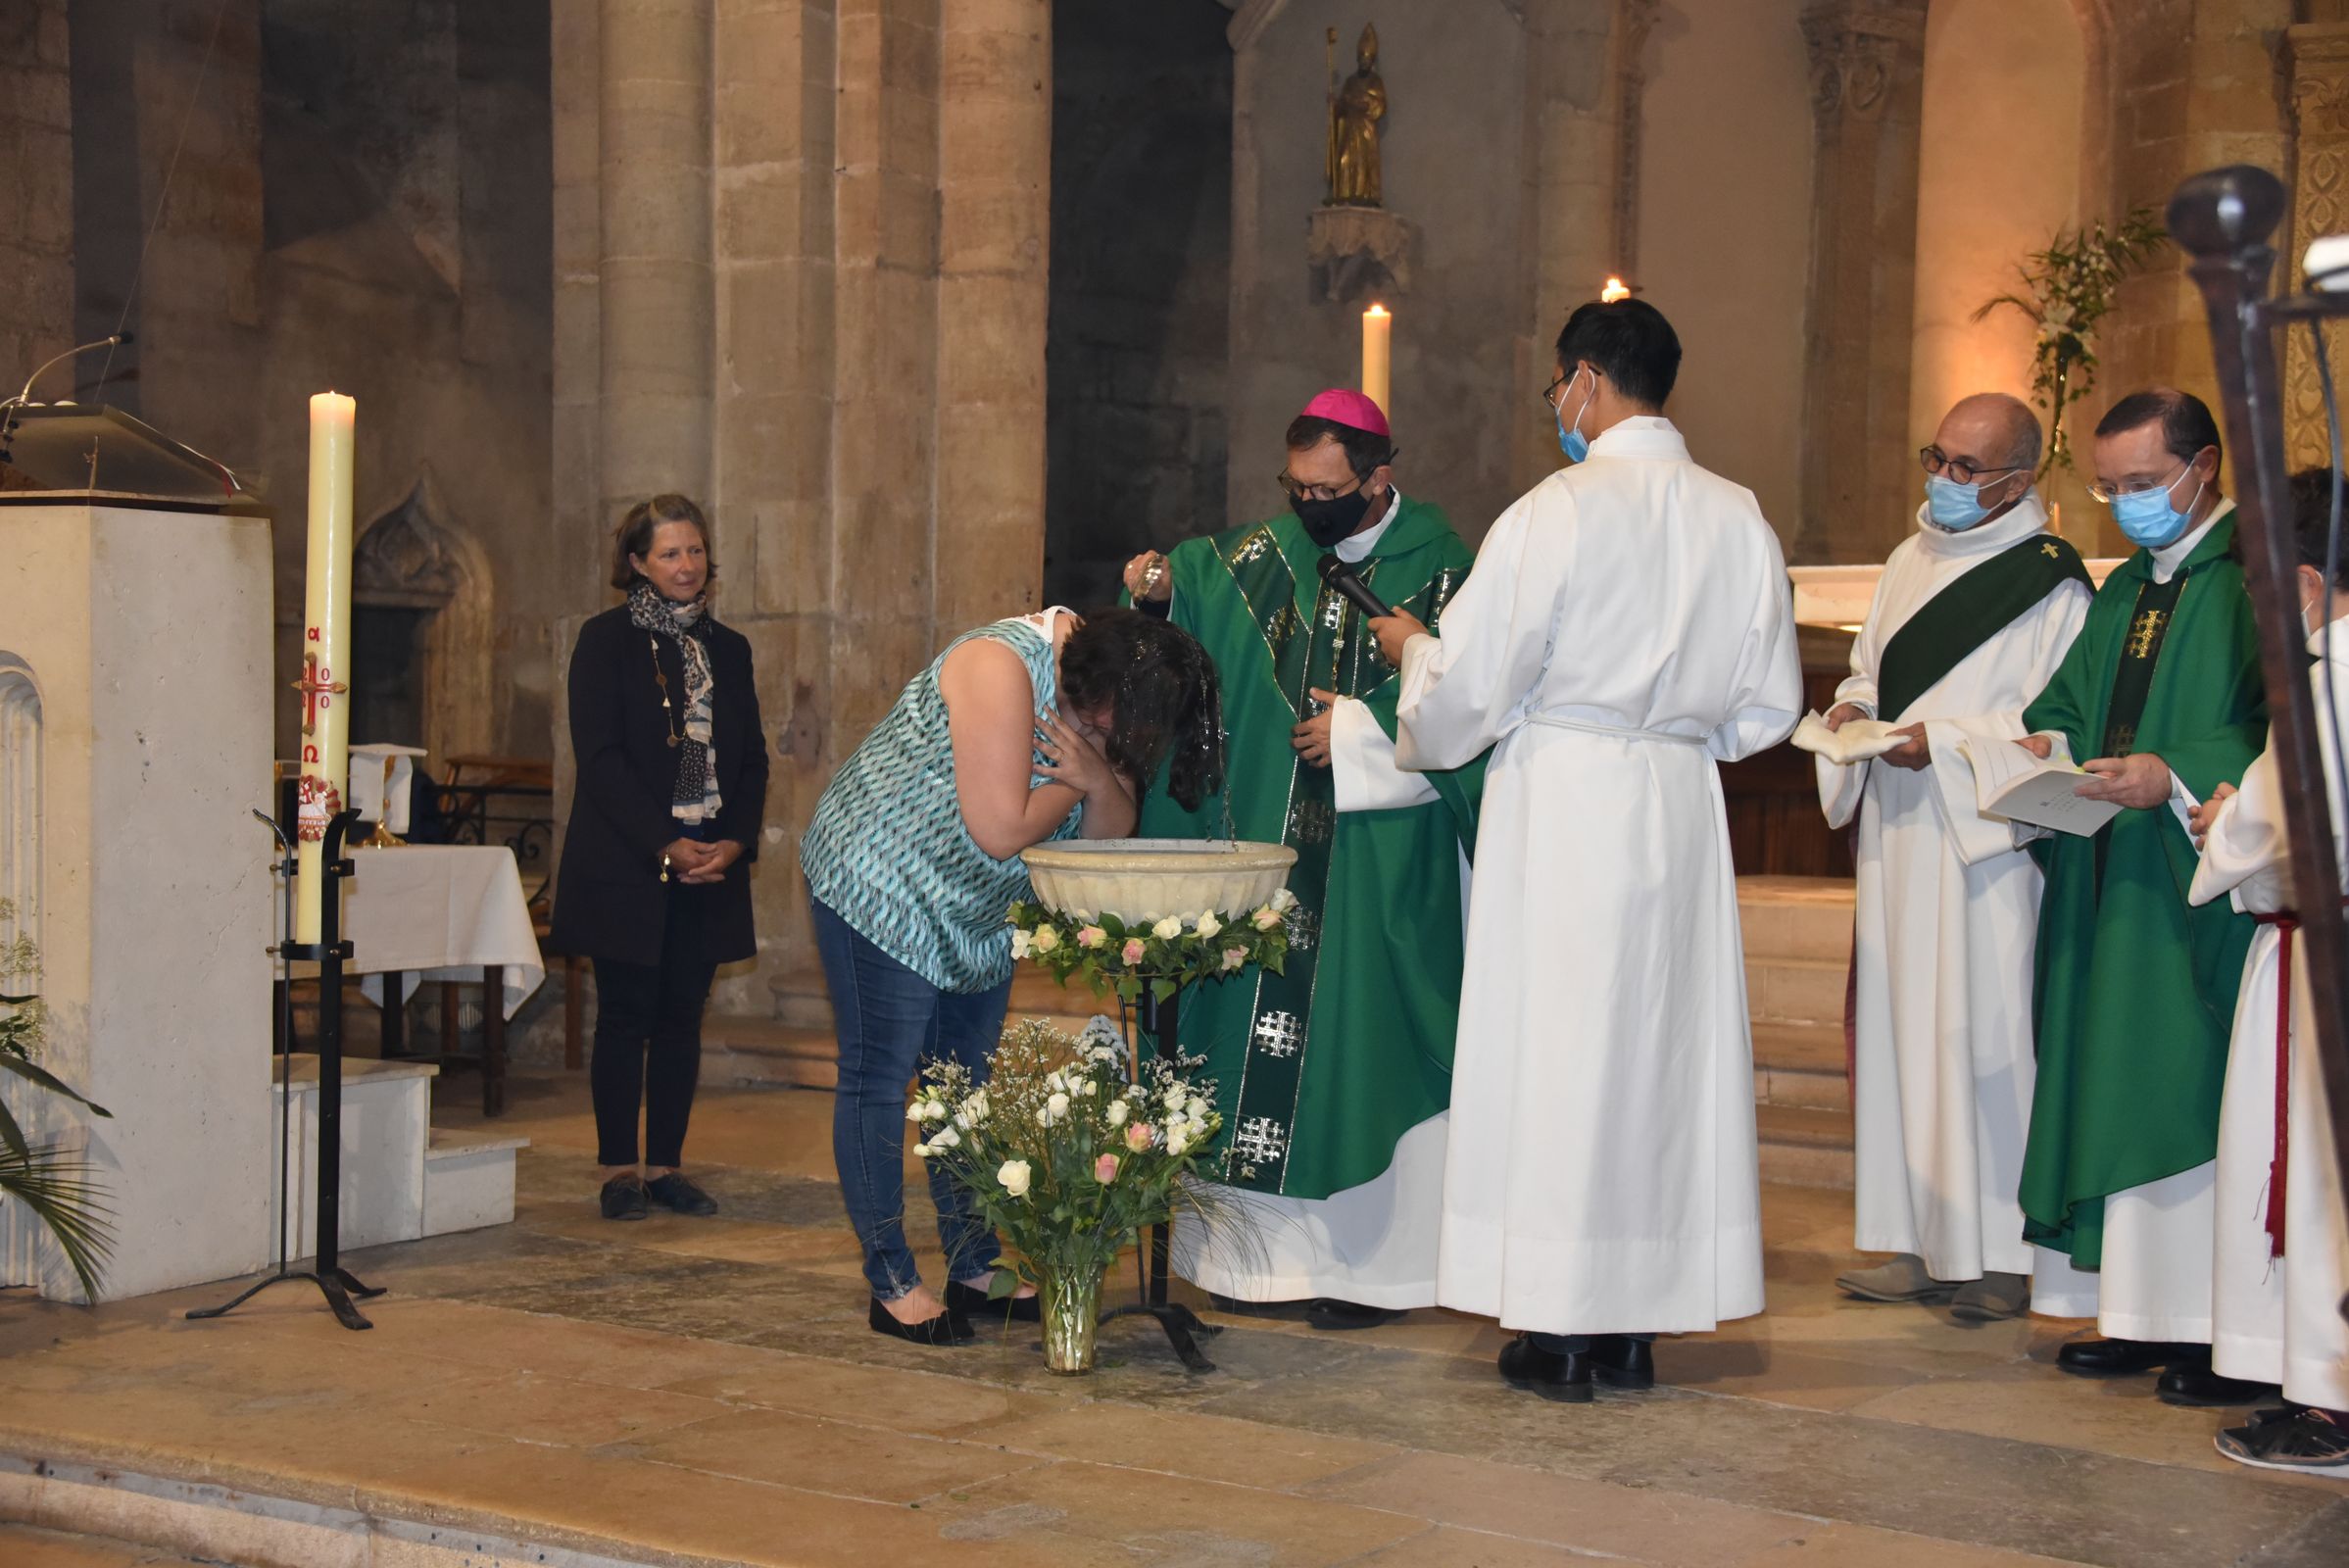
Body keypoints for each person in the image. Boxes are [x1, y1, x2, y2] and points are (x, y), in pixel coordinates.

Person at [1372, 298, 1802, 1402]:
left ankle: (1560, 1327)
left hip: (1565, 798)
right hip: (1676, 799)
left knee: (1560, 1056)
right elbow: (1767, 714)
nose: (1557, 407)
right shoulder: (1738, 515)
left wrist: (1418, 653)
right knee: (1659, 1059)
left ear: (1583, 381)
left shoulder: (1556, 509)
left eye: (1557, 387)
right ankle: (1636, 1324)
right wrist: (1678, 728)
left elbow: (1465, 700)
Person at [1121, 388, 1483, 1331]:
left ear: (1378, 479)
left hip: (1378, 866)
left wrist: (1359, 730)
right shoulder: (1257, 559)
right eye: (1295, 485)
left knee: (1363, 1049)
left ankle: (1373, 1274)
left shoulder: (1447, 571)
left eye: (1327, 487)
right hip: (1274, 865)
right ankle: (1254, 1268)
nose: (1307, 502)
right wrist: (1156, 592)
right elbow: (1187, 590)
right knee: (1245, 1036)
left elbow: (1475, 707)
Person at [800, 606, 1221, 1346]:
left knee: (960, 1085)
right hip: (881, 875)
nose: (1121, 738)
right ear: (1095, 688)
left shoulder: (1113, 687)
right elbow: (999, 829)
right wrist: (1083, 778)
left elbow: (1108, 833)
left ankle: (973, 1263)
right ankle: (891, 1280)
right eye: (1114, 724)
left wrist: (1094, 775)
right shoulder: (999, 663)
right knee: (879, 1073)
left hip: (976, 908)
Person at [2015, 388, 2268, 1406]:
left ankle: (2216, 1328)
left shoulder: (2254, 580)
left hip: (2194, 888)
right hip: (2112, 879)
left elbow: (2283, 725)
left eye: (2142, 483)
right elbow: (2070, 702)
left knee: (2183, 1080)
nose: (2125, 505)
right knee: (2114, 1075)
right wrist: (2045, 744)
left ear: (2203, 467)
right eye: (2109, 486)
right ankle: (2137, 1311)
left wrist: (2172, 771)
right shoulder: (2127, 590)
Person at [1818, 394, 2091, 1321]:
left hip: (1985, 845)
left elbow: (2057, 724)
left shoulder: (2049, 580)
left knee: (1983, 1037)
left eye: (1968, 470)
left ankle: (2005, 1254)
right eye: (1936, 457)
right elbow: (1869, 666)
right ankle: (1918, 1239)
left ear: (2020, 480)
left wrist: (1941, 741)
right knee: (1902, 1030)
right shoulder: (1906, 557)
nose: (1945, 480)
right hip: (1896, 828)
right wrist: (1854, 710)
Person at [2187, 466, 2349, 1473]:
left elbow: (2286, 841)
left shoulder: (2325, 679)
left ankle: (2332, 1407)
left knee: (2328, 1187)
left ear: (2295, 583)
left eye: (2251, 591)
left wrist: (2222, 824)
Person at [552, 495, 770, 1223]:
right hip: (628, 859)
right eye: (670, 553)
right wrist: (663, 841)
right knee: (624, 1015)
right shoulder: (605, 640)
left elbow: (753, 761)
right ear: (638, 563)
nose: (687, 565)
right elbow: (602, 759)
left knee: (682, 1017)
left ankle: (667, 1166)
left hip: (709, 858)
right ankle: (619, 1170)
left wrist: (733, 842)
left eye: (696, 550)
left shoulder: (729, 648)